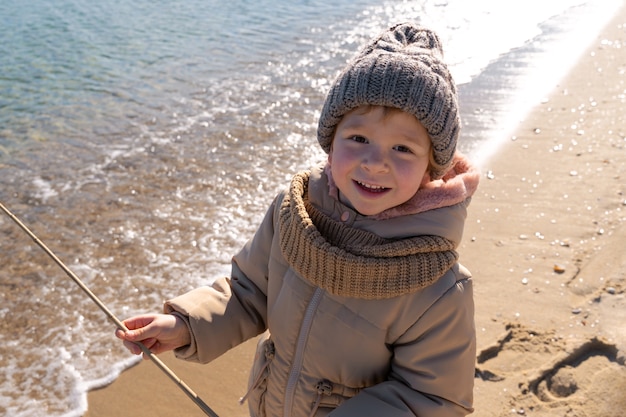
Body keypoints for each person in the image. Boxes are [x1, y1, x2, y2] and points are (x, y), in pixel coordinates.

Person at [117, 22, 480, 417]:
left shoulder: (436, 285)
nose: (375, 163)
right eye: (358, 139)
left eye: (402, 148)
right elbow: (248, 291)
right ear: (331, 140)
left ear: (431, 167)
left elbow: (433, 399)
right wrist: (186, 326)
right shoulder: (296, 213)